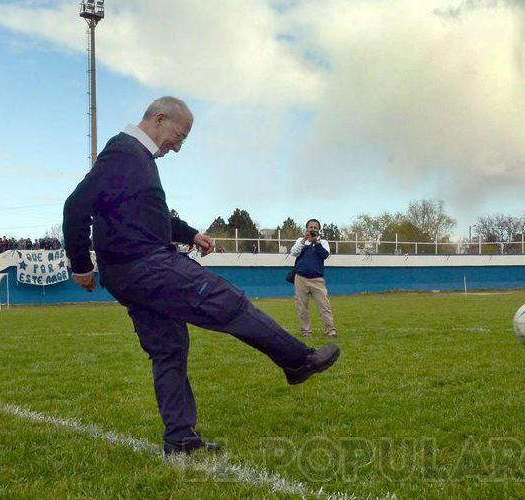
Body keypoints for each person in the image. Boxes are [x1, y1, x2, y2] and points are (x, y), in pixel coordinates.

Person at [63, 96, 340, 457]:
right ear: (159, 119)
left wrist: (190, 234)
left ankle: (180, 438)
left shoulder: (135, 159)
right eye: (179, 137)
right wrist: (81, 263)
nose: (177, 148)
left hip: (131, 270)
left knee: (169, 348)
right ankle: (296, 360)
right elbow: (76, 206)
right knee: (228, 302)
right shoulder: (125, 152)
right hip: (147, 265)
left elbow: (151, 217)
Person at [289, 219, 337, 338]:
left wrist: (316, 243)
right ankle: (306, 332)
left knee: (324, 306)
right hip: (300, 278)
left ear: (319, 230)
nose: (313, 229)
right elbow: (293, 253)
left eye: (315, 228)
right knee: (302, 307)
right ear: (306, 229)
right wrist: (305, 240)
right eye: (311, 227)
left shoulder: (323, 242)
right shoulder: (301, 241)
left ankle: (330, 331)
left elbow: (325, 255)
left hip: (317, 280)